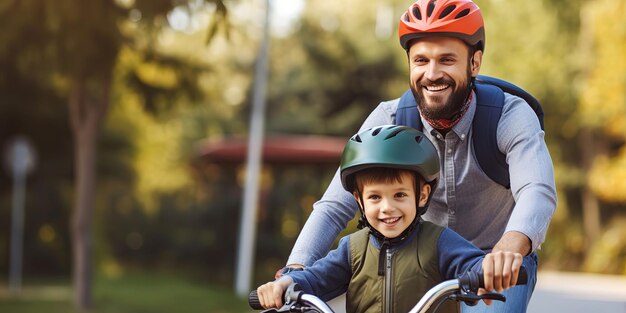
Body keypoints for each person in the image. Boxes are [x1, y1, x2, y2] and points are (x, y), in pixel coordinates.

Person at [282, 1, 557, 312]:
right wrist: (295, 273)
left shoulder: (508, 115)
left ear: (475, 63)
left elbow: (537, 190)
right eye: (421, 60)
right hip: (415, 259)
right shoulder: (388, 119)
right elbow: (335, 206)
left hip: (493, 262)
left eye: (447, 60)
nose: (432, 73)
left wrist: (507, 250)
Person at [259, 125, 523, 313]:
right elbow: (316, 279)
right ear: (359, 200)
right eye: (375, 197)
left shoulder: (439, 242)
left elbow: (473, 264)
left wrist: (489, 270)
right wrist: (287, 284)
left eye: (399, 195)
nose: (387, 208)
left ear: (421, 195)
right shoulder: (352, 249)